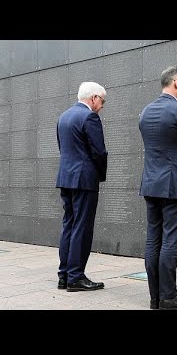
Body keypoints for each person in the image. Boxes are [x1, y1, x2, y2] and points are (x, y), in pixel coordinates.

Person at [139, 66, 177, 310]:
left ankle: (155, 298)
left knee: (153, 240)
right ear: (176, 82)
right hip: (173, 184)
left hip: (150, 184)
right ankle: (169, 297)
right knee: (170, 242)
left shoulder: (145, 112)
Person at [56, 81, 108, 292]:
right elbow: (99, 152)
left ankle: (64, 275)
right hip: (84, 180)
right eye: (102, 101)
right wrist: (100, 175)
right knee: (82, 227)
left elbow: (63, 148)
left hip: (66, 178)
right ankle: (76, 276)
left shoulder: (63, 117)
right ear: (94, 98)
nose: (102, 106)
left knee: (69, 224)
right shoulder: (90, 117)